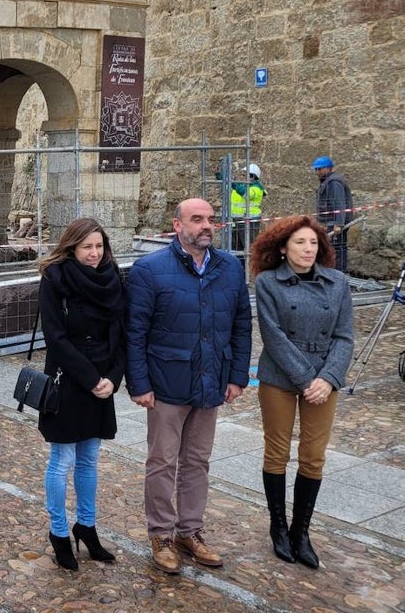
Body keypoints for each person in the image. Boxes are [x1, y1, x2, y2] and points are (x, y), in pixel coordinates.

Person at [125, 198, 252, 575]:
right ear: (177, 226)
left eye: (211, 219)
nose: (206, 226)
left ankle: (190, 531)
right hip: (167, 382)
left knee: (197, 461)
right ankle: (161, 534)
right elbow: (135, 332)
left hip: (211, 381)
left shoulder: (230, 268)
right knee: (162, 461)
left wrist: (237, 376)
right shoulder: (150, 270)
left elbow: (242, 326)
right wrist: (139, 383)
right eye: (197, 219)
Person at [249, 216, 354, 569]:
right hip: (281, 376)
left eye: (313, 243)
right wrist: (307, 379)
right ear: (282, 248)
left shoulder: (338, 283)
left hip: (325, 379)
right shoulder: (267, 283)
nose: (308, 249)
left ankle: (301, 531)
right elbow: (273, 336)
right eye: (299, 243)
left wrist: (328, 378)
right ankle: (278, 527)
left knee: (313, 455)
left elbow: (344, 336)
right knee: (276, 451)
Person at [36, 217, 127, 571]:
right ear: (72, 247)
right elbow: (55, 337)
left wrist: (113, 378)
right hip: (69, 378)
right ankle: (59, 532)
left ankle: (86, 527)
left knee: (90, 458)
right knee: (62, 461)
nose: (94, 253)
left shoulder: (115, 280)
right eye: (87, 246)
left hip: (103, 380)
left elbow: (121, 332)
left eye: (99, 246)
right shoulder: (55, 279)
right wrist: (90, 378)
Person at [312, 156, 354, 272]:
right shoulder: (326, 182)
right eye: (316, 169)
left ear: (328, 169)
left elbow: (339, 203)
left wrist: (339, 224)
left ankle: (338, 275)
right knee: (330, 249)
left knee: (338, 250)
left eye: (320, 169)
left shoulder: (334, 182)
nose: (317, 172)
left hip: (335, 223)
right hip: (329, 221)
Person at [223, 163, 265, 251]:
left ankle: (251, 265)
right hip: (237, 220)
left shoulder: (257, 188)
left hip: (249, 222)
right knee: (235, 248)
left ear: (253, 176)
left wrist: (233, 184)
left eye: (246, 175)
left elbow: (246, 194)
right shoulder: (243, 186)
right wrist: (223, 176)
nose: (243, 176)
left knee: (249, 249)